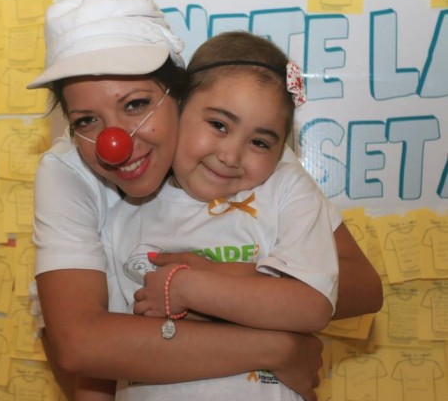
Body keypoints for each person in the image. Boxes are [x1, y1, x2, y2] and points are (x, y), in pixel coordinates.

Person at [28, 0, 383, 400]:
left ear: (179, 96)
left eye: (137, 104)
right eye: (87, 120)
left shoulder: (248, 152)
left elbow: (358, 286)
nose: (115, 144)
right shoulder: (69, 172)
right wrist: (279, 346)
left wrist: (205, 281)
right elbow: (83, 346)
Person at [98, 30, 339, 400]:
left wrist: (188, 288)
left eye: (260, 142)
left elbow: (312, 306)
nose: (231, 155)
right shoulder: (125, 212)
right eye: (219, 125)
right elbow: (111, 345)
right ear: (176, 109)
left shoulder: (285, 192)